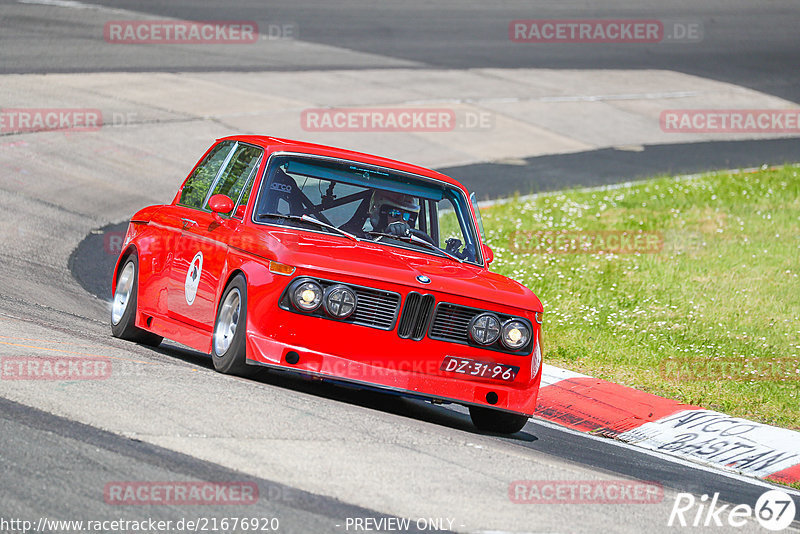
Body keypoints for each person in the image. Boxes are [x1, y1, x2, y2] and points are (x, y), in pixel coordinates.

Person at [365, 190, 433, 243]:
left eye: (406, 216)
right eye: (394, 213)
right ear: (378, 213)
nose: (401, 220)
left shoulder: (417, 246)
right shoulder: (364, 242)